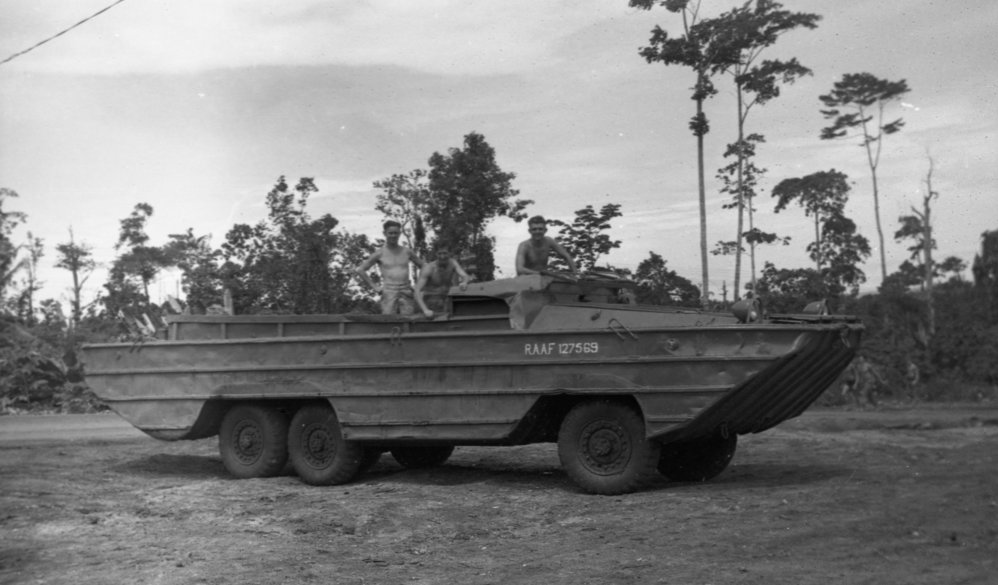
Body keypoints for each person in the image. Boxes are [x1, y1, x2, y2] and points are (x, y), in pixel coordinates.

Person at [354, 220, 425, 315]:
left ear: (400, 233)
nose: (393, 236)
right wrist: (375, 287)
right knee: (388, 320)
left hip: (406, 290)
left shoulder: (407, 251)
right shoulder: (379, 253)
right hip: (389, 291)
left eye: (396, 233)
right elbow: (360, 270)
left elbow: (424, 266)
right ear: (385, 233)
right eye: (390, 233)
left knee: (408, 320)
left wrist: (417, 286)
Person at [414, 245, 471, 318]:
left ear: (449, 254)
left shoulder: (452, 263)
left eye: (445, 253)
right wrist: (425, 310)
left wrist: (465, 282)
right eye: (440, 253)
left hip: (446, 300)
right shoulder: (429, 268)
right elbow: (417, 290)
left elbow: (465, 276)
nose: (442, 256)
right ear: (436, 254)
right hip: (430, 301)